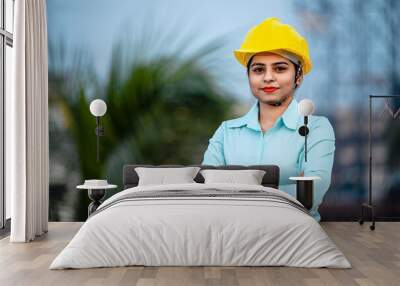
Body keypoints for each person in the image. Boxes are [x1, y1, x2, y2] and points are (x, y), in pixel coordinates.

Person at [201, 18, 335, 222]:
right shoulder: (226, 132)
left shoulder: (316, 128)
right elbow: (207, 191)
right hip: (230, 236)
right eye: (258, 69)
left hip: (294, 237)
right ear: (249, 76)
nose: (268, 77)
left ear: (298, 76)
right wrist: (286, 186)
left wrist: (235, 187)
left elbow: (309, 197)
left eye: (280, 68)